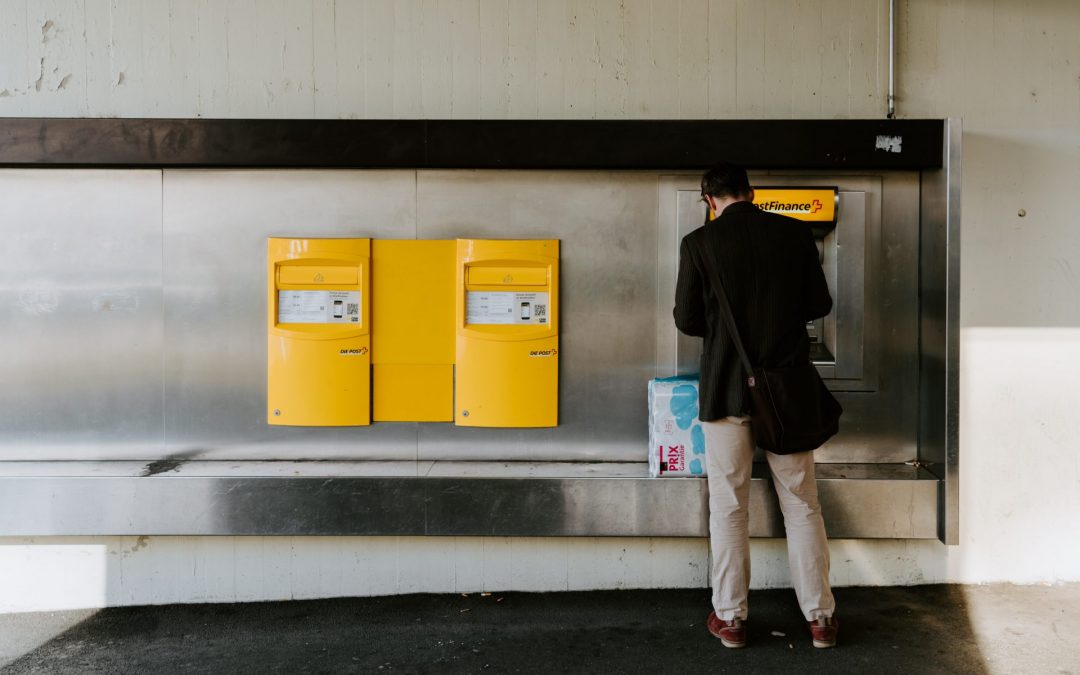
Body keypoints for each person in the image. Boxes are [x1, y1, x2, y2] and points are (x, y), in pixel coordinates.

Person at [673, 163, 838, 649]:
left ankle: (731, 619)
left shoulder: (698, 244)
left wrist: (726, 331)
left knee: (728, 506)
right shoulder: (793, 234)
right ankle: (821, 618)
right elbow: (820, 305)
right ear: (751, 192)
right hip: (784, 392)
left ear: (710, 199)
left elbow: (687, 319)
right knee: (802, 503)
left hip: (725, 388)